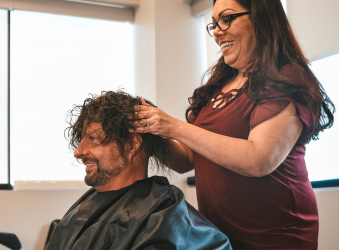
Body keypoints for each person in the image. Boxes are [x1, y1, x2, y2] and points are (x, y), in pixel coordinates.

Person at [133, 0, 334, 250]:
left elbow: (259, 160)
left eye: (226, 19)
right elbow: (188, 159)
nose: (217, 32)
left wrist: (174, 127)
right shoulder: (217, 87)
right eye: (214, 24)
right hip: (222, 237)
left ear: (261, 18)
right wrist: (151, 127)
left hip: (277, 237)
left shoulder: (286, 78)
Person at [44, 91, 232, 250]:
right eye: (81, 141)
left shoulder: (162, 216)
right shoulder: (84, 207)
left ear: (133, 145)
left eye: (93, 139)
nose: (78, 152)